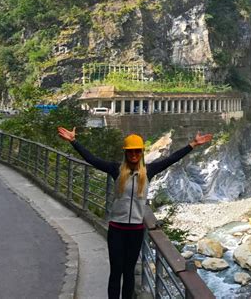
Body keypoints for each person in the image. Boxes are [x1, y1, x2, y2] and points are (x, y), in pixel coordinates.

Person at [57, 126, 213, 299]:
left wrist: (192, 144)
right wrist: (73, 141)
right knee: (116, 272)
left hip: (136, 231)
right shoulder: (116, 169)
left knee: (129, 272)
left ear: (141, 153)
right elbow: (92, 159)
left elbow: (172, 159)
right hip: (117, 229)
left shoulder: (149, 171)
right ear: (126, 153)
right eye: (130, 152)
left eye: (137, 151)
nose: (133, 155)